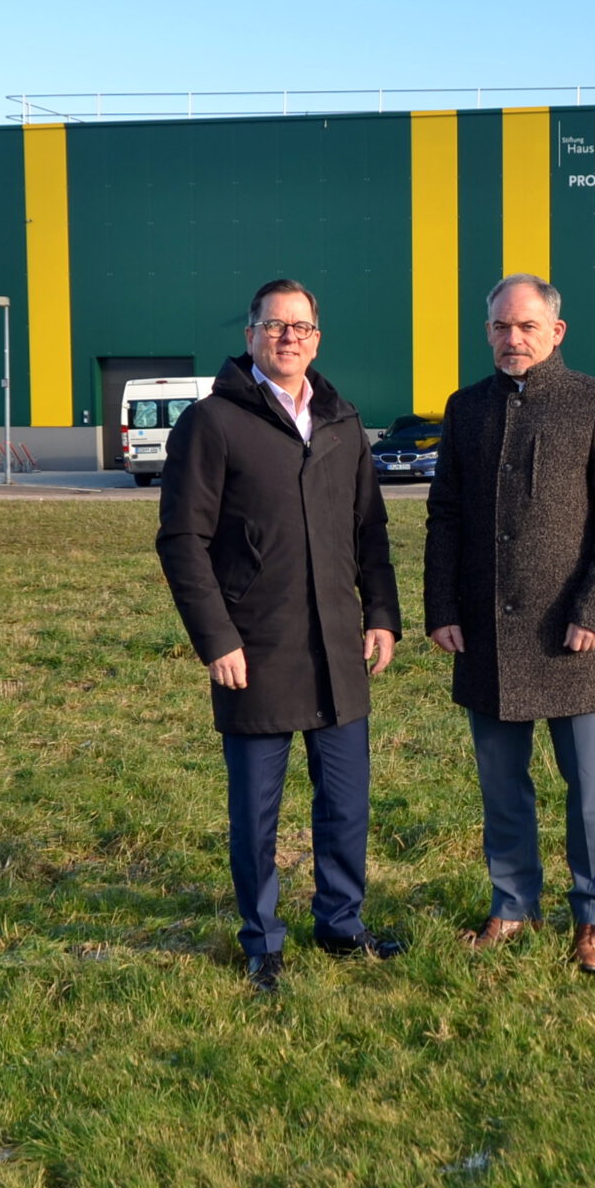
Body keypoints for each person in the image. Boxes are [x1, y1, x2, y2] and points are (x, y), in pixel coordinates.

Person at [155, 279, 404, 991]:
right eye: (274, 326)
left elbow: (370, 531)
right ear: (250, 336)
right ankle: (263, 939)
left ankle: (341, 924)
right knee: (257, 814)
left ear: (317, 339)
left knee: (346, 803)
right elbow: (181, 541)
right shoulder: (212, 423)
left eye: (301, 327)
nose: (288, 337)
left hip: (337, 649)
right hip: (255, 653)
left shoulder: (342, 420)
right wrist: (216, 640)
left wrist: (381, 614)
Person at [425, 273, 595, 973]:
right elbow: (446, 517)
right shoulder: (465, 410)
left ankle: (594, 917)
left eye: (525, 327)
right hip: (486, 632)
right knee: (501, 783)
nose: (511, 339)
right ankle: (513, 904)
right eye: (499, 327)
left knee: (590, 787)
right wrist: (442, 608)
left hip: (573, 635)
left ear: (556, 331)